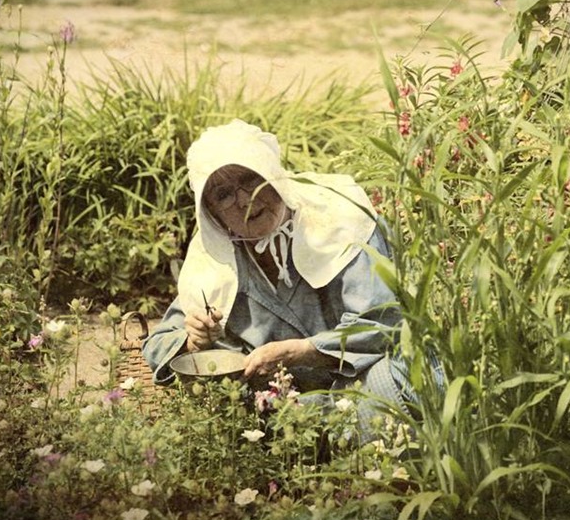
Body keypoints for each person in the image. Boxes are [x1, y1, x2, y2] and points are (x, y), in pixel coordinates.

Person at [142, 119, 410, 411]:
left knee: (392, 382)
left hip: (363, 385)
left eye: (251, 179)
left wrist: (303, 352)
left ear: (273, 173)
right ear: (212, 214)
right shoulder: (216, 259)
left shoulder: (338, 219)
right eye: (223, 195)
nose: (244, 200)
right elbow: (159, 344)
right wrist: (194, 342)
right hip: (286, 411)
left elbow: (385, 324)